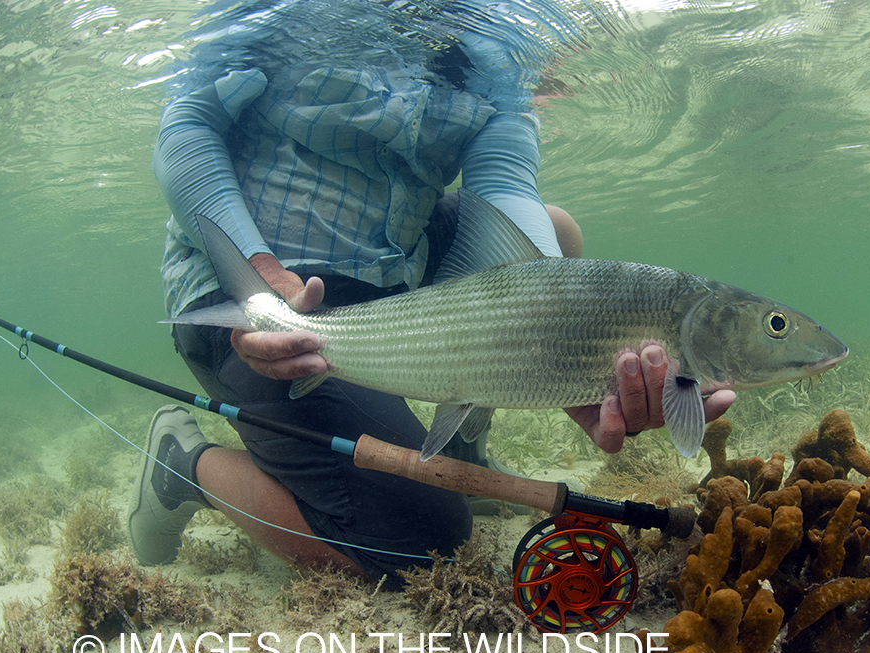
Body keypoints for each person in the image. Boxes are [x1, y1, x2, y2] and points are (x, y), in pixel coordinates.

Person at [129, 0, 734, 582]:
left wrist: (565, 332)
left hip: (396, 267)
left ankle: (463, 440)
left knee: (556, 233)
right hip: (260, 274)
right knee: (420, 542)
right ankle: (183, 467)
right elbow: (187, 124)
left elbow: (505, 180)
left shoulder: (502, 30)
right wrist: (256, 268)